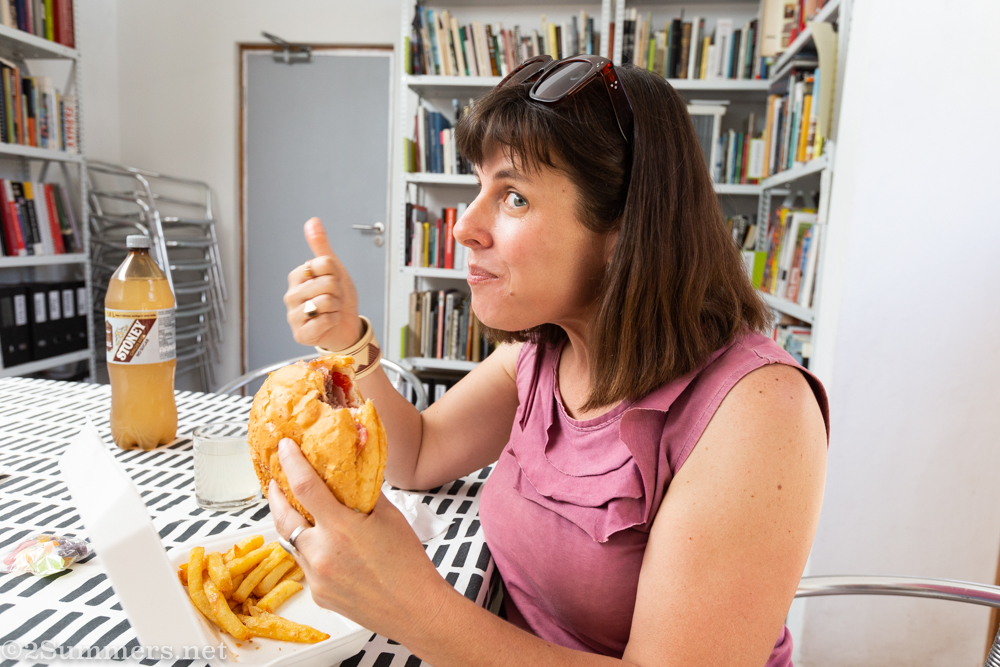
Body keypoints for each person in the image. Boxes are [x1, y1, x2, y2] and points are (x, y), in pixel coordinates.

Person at [272, 55, 829, 667]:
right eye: (479, 186)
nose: (463, 228)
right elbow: (417, 456)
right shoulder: (542, 352)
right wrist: (348, 340)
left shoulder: (758, 412)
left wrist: (411, 605)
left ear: (624, 227)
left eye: (513, 196)